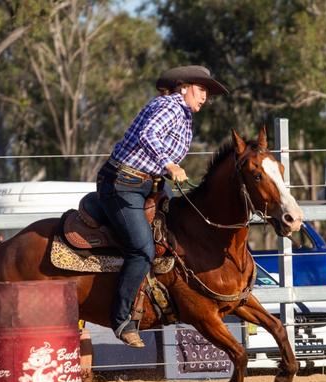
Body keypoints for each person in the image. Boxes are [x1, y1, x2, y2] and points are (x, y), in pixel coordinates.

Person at [96, 65, 228, 348]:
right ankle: (120, 319)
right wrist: (169, 164)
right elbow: (149, 134)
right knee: (142, 249)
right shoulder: (170, 105)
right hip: (122, 184)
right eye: (201, 89)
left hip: (148, 184)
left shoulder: (184, 115)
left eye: (207, 92)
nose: (205, 97)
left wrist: (167, 171)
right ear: (184, 87)